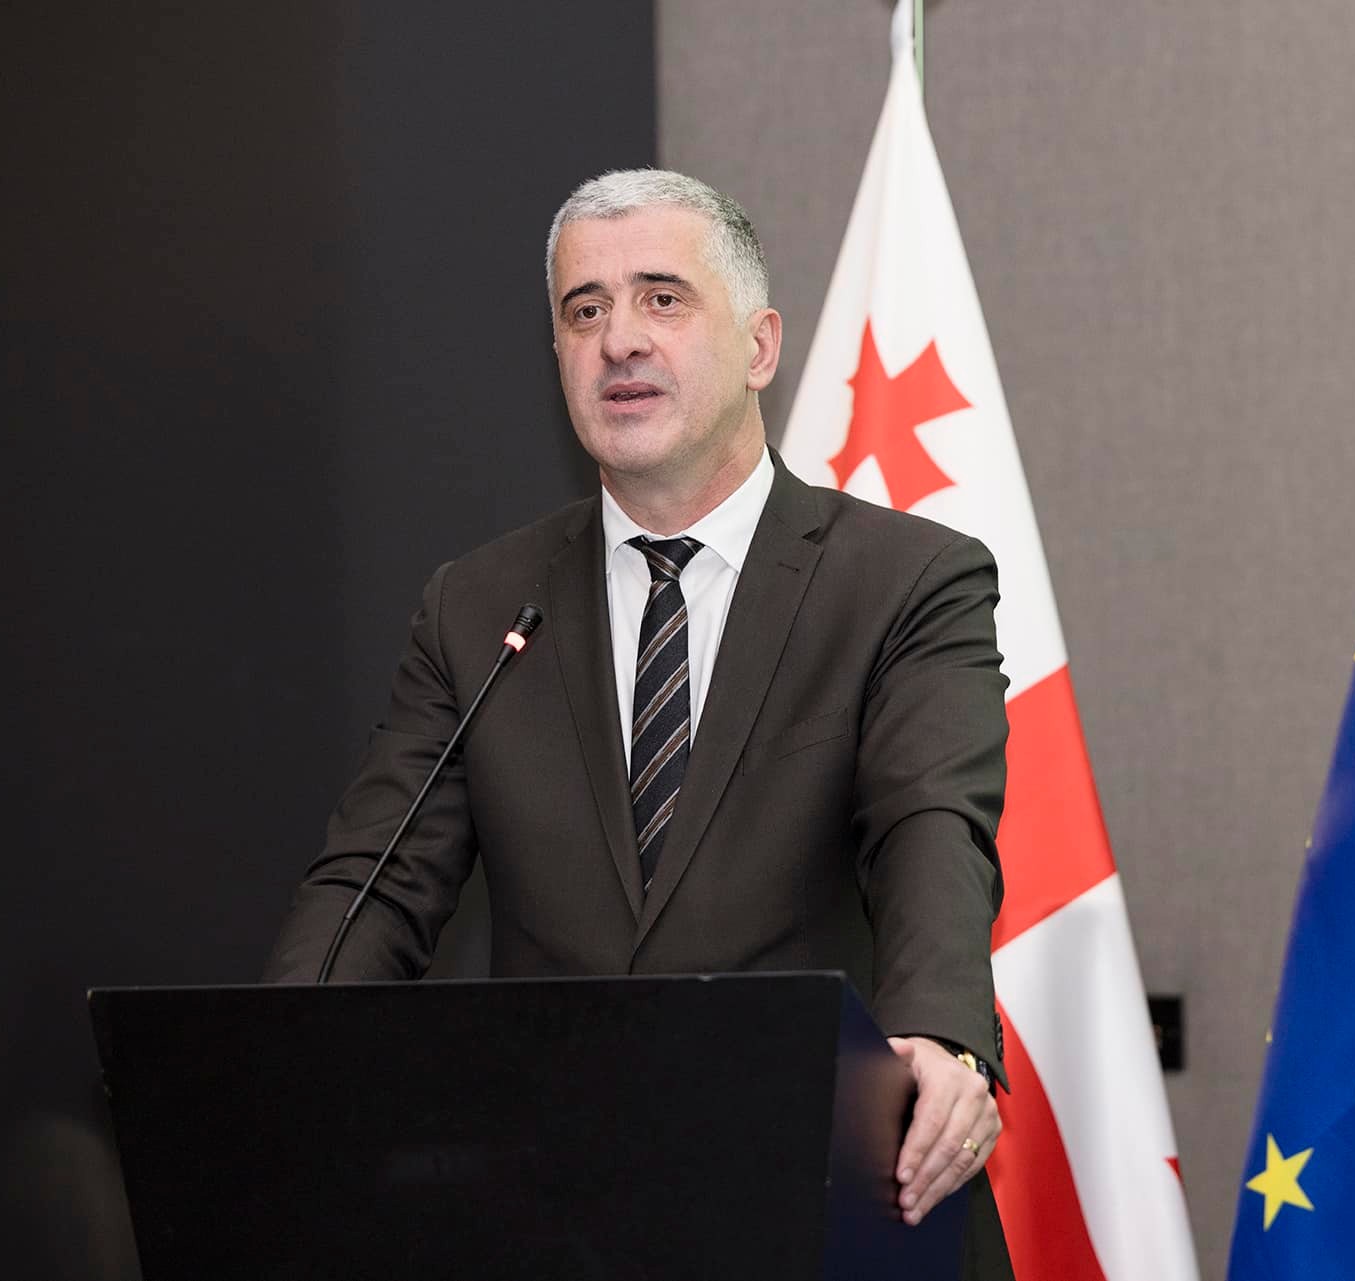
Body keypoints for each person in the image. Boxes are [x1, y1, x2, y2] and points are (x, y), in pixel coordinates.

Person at [264, 169, 1013, 1273]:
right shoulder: (479, 606)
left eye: (663, 297)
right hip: (554, 1210)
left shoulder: (906, 582)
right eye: (585, 310)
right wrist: (271, 1059)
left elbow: (931, 827)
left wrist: (942, 1033)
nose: (619, 339)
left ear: (759, 347)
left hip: (833, 1194)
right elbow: (377, 880)